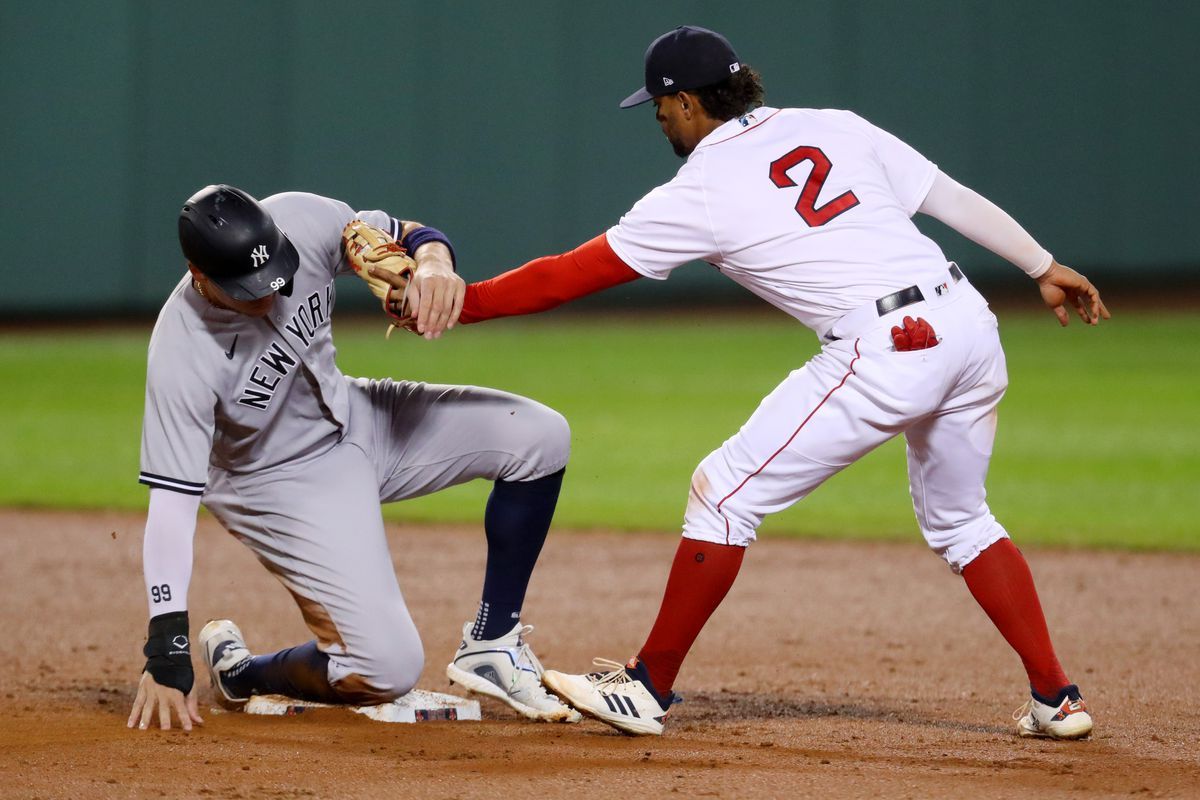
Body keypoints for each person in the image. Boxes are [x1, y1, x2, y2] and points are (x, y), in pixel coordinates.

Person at [440, 26, 1109, 738]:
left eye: (660, 105)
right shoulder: (833, 126)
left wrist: (464, 302)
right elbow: (949, 198)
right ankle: (1056, 699)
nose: (658, 118)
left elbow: (569, 274)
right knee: (962, 519)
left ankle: (646, 687)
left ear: (690, 103)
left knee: (723, 491)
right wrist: (1041, 265)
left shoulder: (701, 187)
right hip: (969, 326)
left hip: (888, 344)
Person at [126, 184, 580, 731]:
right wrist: (165, 649)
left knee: (540, 437)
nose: (268, 294)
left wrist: (433, 263)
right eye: (248, 290)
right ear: (199, 276)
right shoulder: (182, 353)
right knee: (387, 668)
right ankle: (243, 673)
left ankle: (491, 644)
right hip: (277, 481)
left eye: (276, 274)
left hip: (362, 413)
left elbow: (408, 234)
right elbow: (172, 509)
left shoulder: (301, 217)